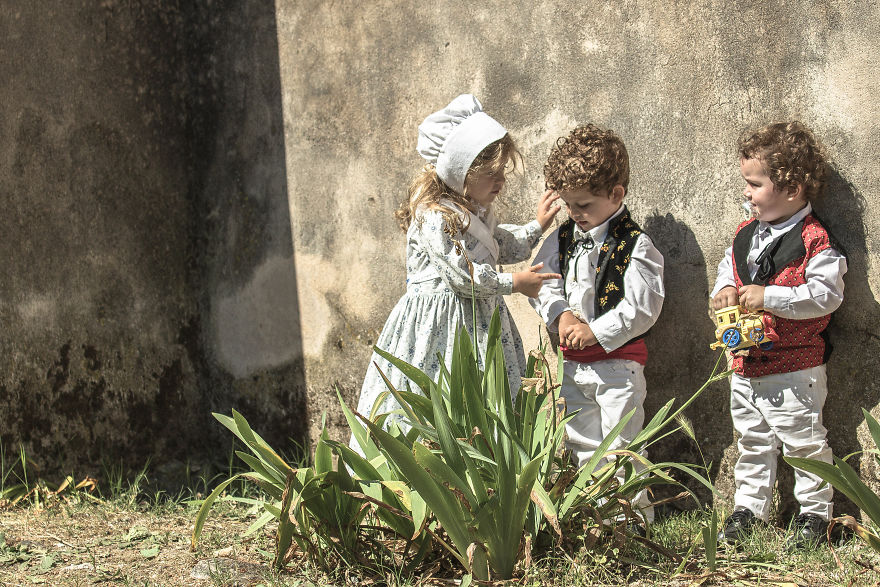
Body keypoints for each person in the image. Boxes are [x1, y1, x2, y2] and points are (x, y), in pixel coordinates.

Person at [353, 94, 560, 436]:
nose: (501, 182)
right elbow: (462, 275)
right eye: (492, 174)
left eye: (502, 173)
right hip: (440, 323)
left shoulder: (473, 212)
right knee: (437, 391)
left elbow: (498, 245)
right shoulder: (434, 216)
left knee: (484, 398)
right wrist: (514, 283)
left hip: (476, 319)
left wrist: (536, 227)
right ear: (461, 169)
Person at [710, 121, 847, 549]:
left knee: (804, 442)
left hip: (795, 368)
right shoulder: (744, 235)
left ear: (791, 188)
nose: (746, 194)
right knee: (751, 440)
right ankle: (748, 510)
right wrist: (725, 291)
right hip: (745, 361)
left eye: (754, 185)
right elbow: (727, 271)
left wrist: (770, 296)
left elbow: (825, 296)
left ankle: (814, 515)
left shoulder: (814, 241)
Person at [529, 124, 665, 526]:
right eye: (569, 204)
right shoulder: (563, 237)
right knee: (581, 439)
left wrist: (596, 329)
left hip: (618, 366)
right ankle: (596, 518)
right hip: (572, 363)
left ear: (616, 195)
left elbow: (643, 307)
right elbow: (541, 281)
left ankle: (633, 521)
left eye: (583, 205)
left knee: (621, 444)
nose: (574, 214)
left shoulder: (636, 245)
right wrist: (561, 315)